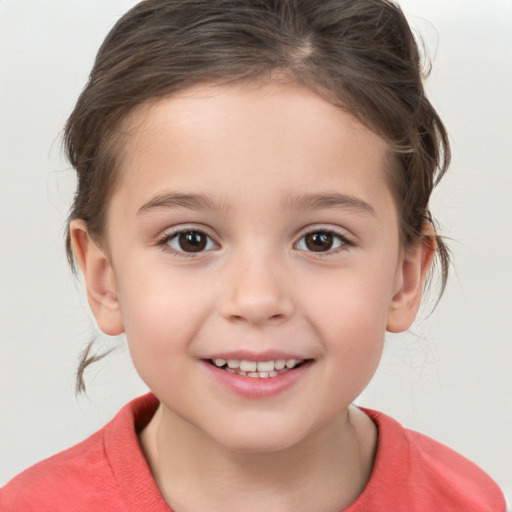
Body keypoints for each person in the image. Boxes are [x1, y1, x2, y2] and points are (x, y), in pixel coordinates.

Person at [0, 0, 507, 510]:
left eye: (321, 240)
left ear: (405, 276)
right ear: (103, 277)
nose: (258, 299)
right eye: (190, 239)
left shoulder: (468, 501)